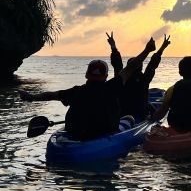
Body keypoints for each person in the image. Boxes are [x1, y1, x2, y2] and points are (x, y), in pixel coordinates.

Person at [19, 37, 156, 141]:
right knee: (128, 119)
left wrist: (32, 97)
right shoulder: (112, 88)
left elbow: (51, 95)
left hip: (77, 133)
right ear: (106, 76)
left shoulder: (76, 91)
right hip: (103, 133)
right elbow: (130, 68)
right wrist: (147, 50)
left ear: (86, 75)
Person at [107, 32, 171, 120]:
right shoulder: (144, 80)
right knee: (149, 106)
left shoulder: (120, 79)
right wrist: (162, 48)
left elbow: (117, 65)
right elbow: (152, 65)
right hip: (140, 113)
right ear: (140, 68)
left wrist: (113, 47)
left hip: (122, 112)